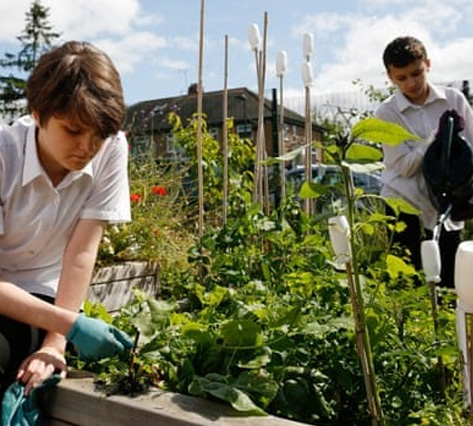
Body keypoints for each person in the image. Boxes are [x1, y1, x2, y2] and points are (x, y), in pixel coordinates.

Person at [0, 40, 134, 400]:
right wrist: (72, 325)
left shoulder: (112, 149)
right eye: (73, 131)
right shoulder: (3, 154)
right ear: (38, 114)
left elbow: (81, 252)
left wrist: (56, 343)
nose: (86, 147)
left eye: (99, 135)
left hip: (42, 297)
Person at [375, 36, 473, 288]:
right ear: (390, 77)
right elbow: (405, 167)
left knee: (452, 277)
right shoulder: (387, 114)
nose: (411, 82)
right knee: (407, 278)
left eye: (416, 73)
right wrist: (434, 140)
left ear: (427, 64)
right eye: (402, 78)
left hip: (447, 200)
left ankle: (451, 324)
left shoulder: (453, 100)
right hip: (403, 202)